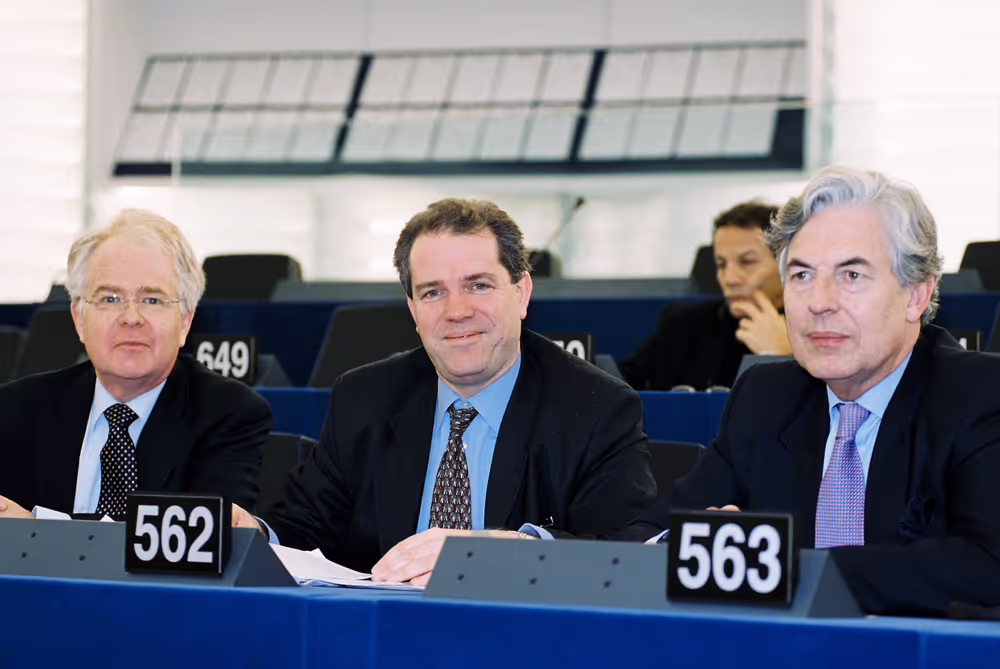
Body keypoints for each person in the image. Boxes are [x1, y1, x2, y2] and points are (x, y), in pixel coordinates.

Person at [630, 166, 1000, 615]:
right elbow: (656, 531)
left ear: (916, 295)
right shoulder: (766, 397)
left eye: (852, 275)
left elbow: (987, 566)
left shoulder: (981, 396)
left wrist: (784, 567)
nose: (819, 302)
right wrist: (683, 546)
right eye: (802, 275)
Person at [234, 198, 655, 584]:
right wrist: (254, 536)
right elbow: (303, 529)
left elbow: (629, 553)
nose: (457, 311)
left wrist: (511, 554)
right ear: (413, 310)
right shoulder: (365, 398)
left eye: (478, 285)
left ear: (521, 293)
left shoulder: (595, 406)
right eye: (433, 292)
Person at [0, 209, 272, 520]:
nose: (130, 318)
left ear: (185, 321)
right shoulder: (16, 410)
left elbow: (204, 539)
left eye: (152, 300)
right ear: (79, 319)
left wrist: (35, 529)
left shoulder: (227, 413)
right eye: (110, 299)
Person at [620, 201, 789, 390]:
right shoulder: (685, 324)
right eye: (721, 264)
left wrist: (784, 357)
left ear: (786, 263)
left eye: (747, 262)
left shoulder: (809, 330)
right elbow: (616, 384)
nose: (729, 278)